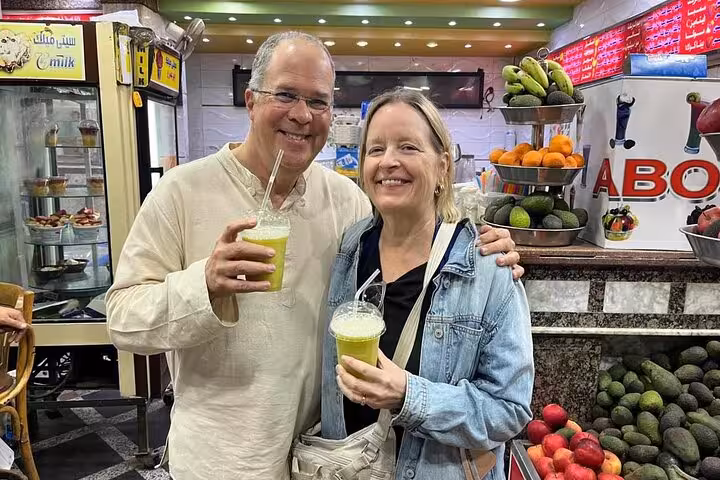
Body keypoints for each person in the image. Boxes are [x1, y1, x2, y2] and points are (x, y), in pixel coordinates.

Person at [106, 31, 522, 480]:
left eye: (319, 101)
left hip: (323, 457)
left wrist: (482, 241)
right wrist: (202, 283)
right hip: (224, 459)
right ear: (250, 100)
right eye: (285, 94)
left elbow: (413, 234)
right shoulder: (181, 192)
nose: (302, 115)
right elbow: (122, 319)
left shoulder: (346, 202)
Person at [320, 88, 534, 480]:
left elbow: (510, 409)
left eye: (408, 147)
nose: (388, 162)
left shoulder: (486, 264)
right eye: (375, 149)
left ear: (442, 165)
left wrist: (409, 396)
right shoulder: (351, 247)